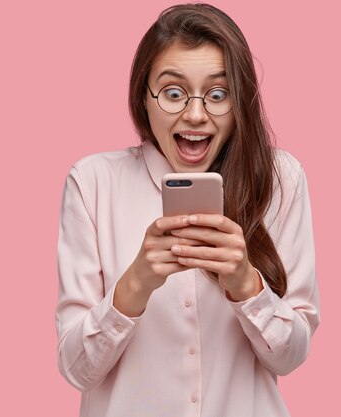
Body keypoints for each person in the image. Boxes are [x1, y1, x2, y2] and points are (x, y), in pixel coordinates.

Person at [55, 4, 320, 417]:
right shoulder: (92, 182)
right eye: (173, 93)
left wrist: (246, 285)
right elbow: (76, 370)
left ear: (239, 101)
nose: (195, 114)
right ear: (144, 97)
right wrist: (135, 285)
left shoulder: (281, 177)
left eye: (218, 94)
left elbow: (290, 357)